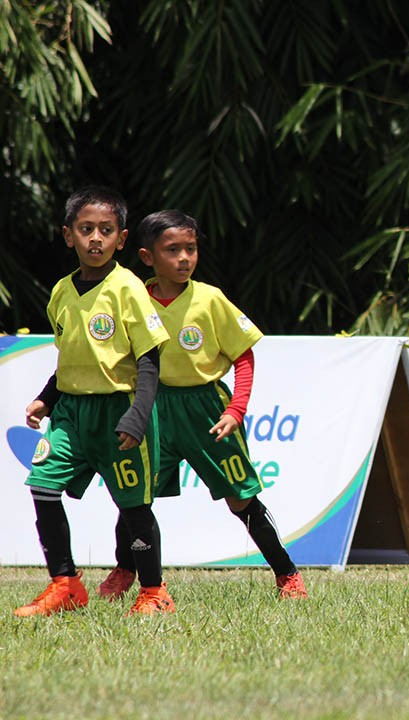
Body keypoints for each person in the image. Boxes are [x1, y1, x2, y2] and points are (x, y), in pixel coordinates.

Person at [97, 210, 308, 602]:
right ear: (147, 257)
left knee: (240, 496)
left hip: (206, 409)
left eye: (190, 249)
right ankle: (126, 571)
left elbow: (243, 356)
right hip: (152, 406)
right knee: (134, 494)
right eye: (172, 250)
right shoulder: (132, 299)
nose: (184, 258)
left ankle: (287, 575)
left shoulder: (210, 299)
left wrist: (235, 411)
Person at [17, 185, 174, 617]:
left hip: (120, 409)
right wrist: (45, 398)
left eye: (106, 230)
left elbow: (148, 360)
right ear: (68, 235)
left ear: (121, 239)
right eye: (86, 229)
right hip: (71, 412)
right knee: (44, 486)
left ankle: (154, 591)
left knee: (134, 505)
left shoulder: (128, 288)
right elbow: (73, 354)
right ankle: (65, 584)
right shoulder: (61, 293)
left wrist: (138, 416)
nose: (95, 238)